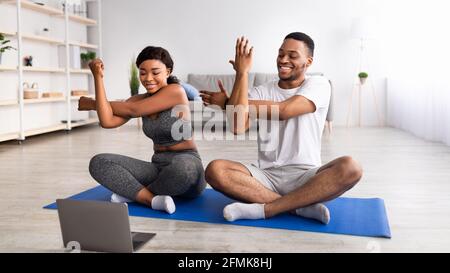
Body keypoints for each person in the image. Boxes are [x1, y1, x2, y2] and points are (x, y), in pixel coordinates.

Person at [200, 33, 363, 224]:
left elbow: (285, 110)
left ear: (308, 61)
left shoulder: (319, 84)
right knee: (215, 170)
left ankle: (266, 209)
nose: (284, 60)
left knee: (351, 167)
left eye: (292, 56)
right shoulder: (261, 91)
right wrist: (242, 73)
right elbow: (237, 126)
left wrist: (228, 102)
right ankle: (298, 208)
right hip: (266, 177)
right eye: (280, 54)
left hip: (306, 176)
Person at [78, 46, 206, 214]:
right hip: (157, 168)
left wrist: (92, 104)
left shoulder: (176, 91)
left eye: (155, 72)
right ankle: (151, 200)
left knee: (184, 169)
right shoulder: (137, 100)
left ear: (168, 72)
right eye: (143, 72)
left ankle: (133, 194)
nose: (148, 78)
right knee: (99, 162)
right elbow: (107, 121)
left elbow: (133, 110)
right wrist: (98, 78)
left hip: (188, 166)